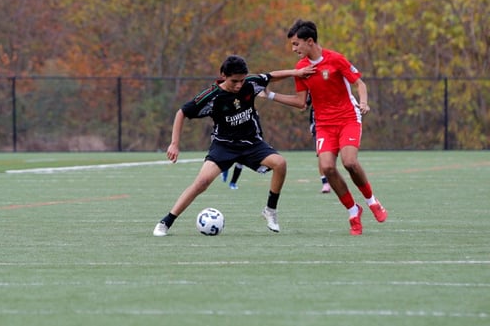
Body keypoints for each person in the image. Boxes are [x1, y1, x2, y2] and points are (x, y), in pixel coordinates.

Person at [152, 55, 314, 236]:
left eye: (242, 80)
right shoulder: (212, 96)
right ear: (223, 75)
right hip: (224, 146)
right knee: (201, 183)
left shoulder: (251, 83)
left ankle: (270, 210)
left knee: (280, 164)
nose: (239, 85)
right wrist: (174, 144)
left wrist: (296, 72)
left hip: (251, 143)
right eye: (234, 81)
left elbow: (271, 76)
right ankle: (166, 222)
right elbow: (181, 112)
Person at [267, 19, 387, 235]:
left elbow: (359, 83)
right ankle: (353, 212)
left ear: (310, 41)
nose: (294, 49)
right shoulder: (301, 68)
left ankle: (372, 201)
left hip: (348, 118)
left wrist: (364, 102)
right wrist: (270, 95)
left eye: (296, 44)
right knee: (328, 168)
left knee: (349, 162)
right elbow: (301, 102)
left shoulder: (336, 59)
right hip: (323, 124)